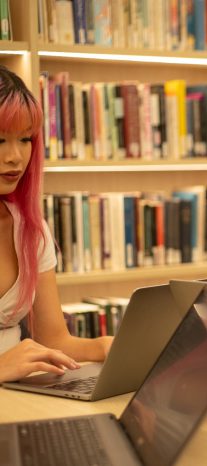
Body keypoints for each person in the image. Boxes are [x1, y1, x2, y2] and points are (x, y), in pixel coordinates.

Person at [0, 65, 112, 383]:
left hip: (20, 395)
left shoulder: (30, 229)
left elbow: (54, 341)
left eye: (25, 139)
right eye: (0, 140)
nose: (15, 157)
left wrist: (108, 347)